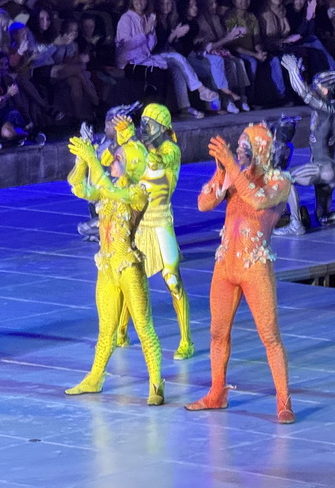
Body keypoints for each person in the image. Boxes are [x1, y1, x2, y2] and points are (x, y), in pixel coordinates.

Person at [186, 126, 294, 424]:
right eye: (240, 145)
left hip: (255, 266)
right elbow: (204, 203)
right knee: (217, 332)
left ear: (261, 149)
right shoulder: (235, 176)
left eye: (247, 146)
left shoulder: (279, 181)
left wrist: (232, 167)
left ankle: (284, 401)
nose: (241, 150)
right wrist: (221, 170)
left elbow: (258, 200)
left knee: (270, 336)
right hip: (226, 266)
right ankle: (217, 392)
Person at [65, 127, 165, 406]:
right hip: (107, 266)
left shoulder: (137, 193)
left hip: (128, 267)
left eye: (117, 157)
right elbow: (77, 186)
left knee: (144, 327)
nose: (112, 158)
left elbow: (109, 189)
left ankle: (156, 381)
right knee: (105, 328)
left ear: (131, 165)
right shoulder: (106, 190)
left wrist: (93, 160)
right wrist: (82, 161)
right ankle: (95, 377)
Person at [113, 105, 193, 360]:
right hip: (140, 222)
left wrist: (132, 138)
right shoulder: (141, 147)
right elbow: (116, 164)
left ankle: (186, 340)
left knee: (173, 280)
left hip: (161, 223)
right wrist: (122, 139)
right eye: (143, 121)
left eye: (150, 122)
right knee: (131, 278)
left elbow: (156, 160)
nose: (145, 126)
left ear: (163, 127)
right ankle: (121, 332)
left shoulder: (171, 150)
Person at [276, 54, 335, 236]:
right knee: (322, 216)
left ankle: (296, 224)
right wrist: (300, 72)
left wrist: (292, 71)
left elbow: (303, 93)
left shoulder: (324, 108)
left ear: (325, 91)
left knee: (284, 179)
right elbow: (306, 91)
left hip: (321, 168)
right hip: (332, 171)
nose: (314, 89)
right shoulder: (328, 108)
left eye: (317, 87)